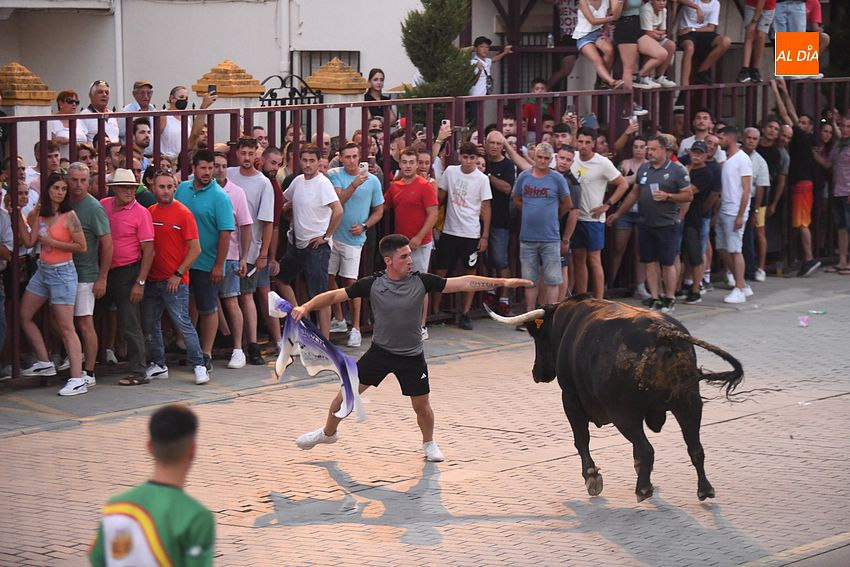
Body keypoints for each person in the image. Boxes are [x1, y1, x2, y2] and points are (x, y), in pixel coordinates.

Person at [292, 233, 533, 462]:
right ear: (389, 261)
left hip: (411, 356)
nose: (411, 260)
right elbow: (334, 297)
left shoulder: (422, 281)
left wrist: (502, 281)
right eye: (404, 256)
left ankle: (428, 443)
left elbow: (462, 283)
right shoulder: (372, 284)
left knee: (422, 407)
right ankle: (328, 433)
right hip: (379, 353)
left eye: (410, 255)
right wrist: (305, 307)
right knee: (344, 396)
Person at [88, 404, 215, 567]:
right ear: (193, 450)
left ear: (149, 447)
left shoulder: (116, 507)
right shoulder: (196, 517)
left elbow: (97, 560)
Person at [18, 173, 87, 394]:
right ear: (47, 190)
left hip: (62, 273)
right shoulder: (40, 214)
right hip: (43, 271)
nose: (60, 192)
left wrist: (53, 242)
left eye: (63, 189)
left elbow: (81, 246)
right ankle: (45, 361)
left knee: (66, 327)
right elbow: (29, 242)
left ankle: (77, 378)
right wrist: (17, 214)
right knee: (24, 315)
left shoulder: (70, 216)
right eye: (56, 188)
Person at [607, 136, 693, 313]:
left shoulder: (677, 170)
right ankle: (655, 297)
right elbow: (634, 194)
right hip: (645, 222)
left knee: (667, 263)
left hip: (667, 223)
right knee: (649, 261)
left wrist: (669, 196)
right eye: (648, 149)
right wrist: (618, 213)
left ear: (663, 150)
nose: (650, 153)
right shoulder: (645, 168)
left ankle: (669, 297)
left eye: (653, 149)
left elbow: (688, 195)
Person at [143, 171, 209, 385]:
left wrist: (178, 274)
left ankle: (199, 365)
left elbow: (195, 249)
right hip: (153, 279)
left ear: (175, 187)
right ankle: (159, 364)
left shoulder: (183, 213)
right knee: (151, 324)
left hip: (175, 281)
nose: (165, 191)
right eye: (161, 187)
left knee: (183, 324)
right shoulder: (149, 213)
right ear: (153, 188)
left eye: (169, 187)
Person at [176, 150, 235, 370]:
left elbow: (225, 232)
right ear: (194, 168)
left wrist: (219, 264)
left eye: (211, 168)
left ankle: (206, 353)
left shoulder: (220, 196)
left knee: (208, 308)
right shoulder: (182, 189)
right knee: (186, 305)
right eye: (203, 168)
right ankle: (189, 348)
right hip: (182, 262)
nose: (208, 172)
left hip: (206, 261)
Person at [279, 144, 343, 338]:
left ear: (318, 162)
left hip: (316, 247)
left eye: (311, 161)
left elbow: (338, 210)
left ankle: (324, 340)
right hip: (297, 245)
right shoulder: (298, 181)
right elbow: (284, 201)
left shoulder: (323, 183)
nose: (307, 164)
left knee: (320, 296)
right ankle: (301, 321)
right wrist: (287, 210)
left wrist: (326, 237)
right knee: (281, 279)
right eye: (304, 160)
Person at [325, 142, 384, 347]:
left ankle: (356, 328)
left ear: (360, 157)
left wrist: (365, 226)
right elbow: (338, 200)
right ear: (340, 157)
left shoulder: (373, 180)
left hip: (354, 239)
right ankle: (340, 319)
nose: (351, 161)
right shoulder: (334, 174)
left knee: (351, 281)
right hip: (333, 235)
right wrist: (354, 184)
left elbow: (379, 210)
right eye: (347, 157)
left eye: (354, 156)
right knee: (329, 277)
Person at [101, 168, 155, 385]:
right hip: (105, 270)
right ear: (114, 189)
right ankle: (87, 365)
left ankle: (139, 371)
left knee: (131, 322)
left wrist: (140, 282)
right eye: (125, 187)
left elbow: (149, 251)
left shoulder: (141, 212)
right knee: (91, 315)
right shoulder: (103, 205)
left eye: (132, 188)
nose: (130, 192)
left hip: (128, 270)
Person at [433, 142, 492, 330]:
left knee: (470, 273)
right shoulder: (450, 172)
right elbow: (440, 196)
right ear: (460, 157)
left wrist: (484, 236)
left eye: (472, 158)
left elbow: (486, 208)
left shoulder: (482, 179)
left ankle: (465, 313)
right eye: (465, 157)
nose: (468, 161)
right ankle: (435, 310)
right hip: (450, 230)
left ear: (476, 159)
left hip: (471, 232)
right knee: (440, 272)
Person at [227, 138, 275, 365]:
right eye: (243, 153)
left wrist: (263, 253)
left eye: (250, 153)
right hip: (226, 248)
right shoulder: (227, 174)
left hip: (251, 249)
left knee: (247, 295)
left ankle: (253, 343)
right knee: (230, 297)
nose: (246, 157)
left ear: (256, 155)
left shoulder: (263, 183)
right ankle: (236, 342)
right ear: (237, 153)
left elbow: (267, 222)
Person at [385, 148, 440, 338]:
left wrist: (418, 237)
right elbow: (383, 206)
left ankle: (421, 326)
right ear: (399, 164)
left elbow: (433, 214)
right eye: (404, 162)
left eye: (411, 162)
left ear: (417, 164)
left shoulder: (425, 186)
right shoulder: (395, 186)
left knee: (419, 284)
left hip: (420, 243)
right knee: (401, 284)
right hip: (400, 245)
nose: (408, 166)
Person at [512, 142, 573, 311]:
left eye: (546, 158)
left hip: (550, 237)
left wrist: (554, 213)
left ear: (550, 159)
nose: (542, 161)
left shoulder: (557, 178)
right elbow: (516, 198)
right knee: (530, 279)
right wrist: (529, 209)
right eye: (539, 157)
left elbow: (568, 204)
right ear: (534, 156)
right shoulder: (524, 176)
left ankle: (550, 315)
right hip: (527, 237)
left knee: (553, 278)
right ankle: (530, 314)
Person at [67, 162, 112, 387]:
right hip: (63, 272)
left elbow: (107, 244)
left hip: (85, 274)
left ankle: (90, 371)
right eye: (74, 179)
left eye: (83, 180)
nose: (78, 184)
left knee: (85, 323)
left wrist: (102, 277)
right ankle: (73, 357)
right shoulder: (63, 201)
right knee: (63, 322)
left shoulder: (93, 207)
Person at [570, 127, 629, 298]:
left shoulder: (602, 162)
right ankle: (582, 299)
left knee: (594, 260)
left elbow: (623, 184)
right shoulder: (571, 158)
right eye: (580, 141)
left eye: (587, 142)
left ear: (594, 144)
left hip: (593, 219)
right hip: (575, 218)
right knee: (578, 259)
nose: (583, 146)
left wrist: (607, 204)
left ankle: (599, 300)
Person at [771, 78, 821, 276]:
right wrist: (784, 90)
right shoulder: (804, 138)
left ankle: (808, 258)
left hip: (801, 184)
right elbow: (791, 113)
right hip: (804, 183)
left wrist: (775, 89)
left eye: (804, 123)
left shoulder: (800, 137)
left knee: (802, 223)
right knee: (801, 222)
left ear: (808, 127)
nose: (799, 123)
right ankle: (806, 258)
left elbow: (786, 113)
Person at [212, 151, 253, 369]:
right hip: (204, 257)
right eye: (215, 165)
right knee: (202, 303)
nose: (219, 170)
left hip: (229, 256)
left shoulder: (236, 192)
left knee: (231, 300)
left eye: (223, 166)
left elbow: (246, 226)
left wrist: (244, 257)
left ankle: (238, 348)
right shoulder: (196, 189)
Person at [715, 127, 754, 304]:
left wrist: (740, 215)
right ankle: (742, 284)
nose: (718, 140)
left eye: (721, 137)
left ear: (730, 138)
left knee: (735, 249)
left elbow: (746, 189)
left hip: (734, 211)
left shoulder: (742, 159)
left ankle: (739, 287)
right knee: (723, 248)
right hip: (724, 209)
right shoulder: (726, 159)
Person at [609, 135, 648, 295]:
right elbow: (615, 181)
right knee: (618, 247)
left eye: (642, 146)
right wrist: (633, 178)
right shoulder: (625, 164)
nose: (638, 150)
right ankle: (610, 282)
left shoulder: (650, 166)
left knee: (641, 250)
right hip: (625, 211)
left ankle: (640, 285)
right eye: (636, 146)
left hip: (644, 211)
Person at [612, 0, 674, 90]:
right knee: (629, 68)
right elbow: (615, 16)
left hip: (637, 24)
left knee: (661, 53)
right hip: (624, 25)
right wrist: (620, 2)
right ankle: (628, 102)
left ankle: (639, 76)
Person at [676, 0, 732, 87]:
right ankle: (684, 88)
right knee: (689, 48)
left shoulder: (715, 3)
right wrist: (696, 7)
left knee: (726, 41)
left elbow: (711, 28)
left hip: (702, 31)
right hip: (685, 32)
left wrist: (692, 29)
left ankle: (702, 71)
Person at [573, 0, 623, 90]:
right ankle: (611, 81)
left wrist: (606, 32)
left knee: (609, 50)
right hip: (583, 35)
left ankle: (603, 81)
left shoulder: (605, 1)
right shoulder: (583, 1)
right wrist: (611, 18)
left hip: (598, 33)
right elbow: (592, 20)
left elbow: (610, 15)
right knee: (597, 59)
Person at [637, 0, 677, 88]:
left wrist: (655, 32)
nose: (662, 3)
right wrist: (657, 33)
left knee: (671, 45)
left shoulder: (664, 10)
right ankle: (642, 77)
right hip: (642, 37)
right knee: (658, 50)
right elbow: (647, 32)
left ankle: (659, 77)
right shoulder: (646, 9)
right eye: (658, 0)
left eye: (664, 0)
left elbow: (663, 30)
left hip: (656, 37)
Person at [828, 115, 850, 273]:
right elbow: (829, 164)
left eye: (848, 127)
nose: (845, 129)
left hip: (848, 190)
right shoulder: (838, 145)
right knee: (841, 227)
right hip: (838, 190)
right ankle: (842, 260)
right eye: (843, 126)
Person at [737, 0, 775, 83]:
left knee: (761, 36)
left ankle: (755, 68)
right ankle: (745, 69)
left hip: (768, 6)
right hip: (752, 4)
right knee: (750, 34)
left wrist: (754, 21)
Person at [48, 90, 88, 160]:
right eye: (70, 101)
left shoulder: (80, 121)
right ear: (60, 103)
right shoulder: (52, 121)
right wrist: (59, 140)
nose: (74, 104)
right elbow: (48, 143)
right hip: (62, 162)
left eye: (76, 102)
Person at [79, 80, 120, 145]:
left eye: (107, 92)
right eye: (100, 92)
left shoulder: (112, 115)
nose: (104, 95)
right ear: (91, 95)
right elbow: (80, 141)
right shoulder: (84, 116)